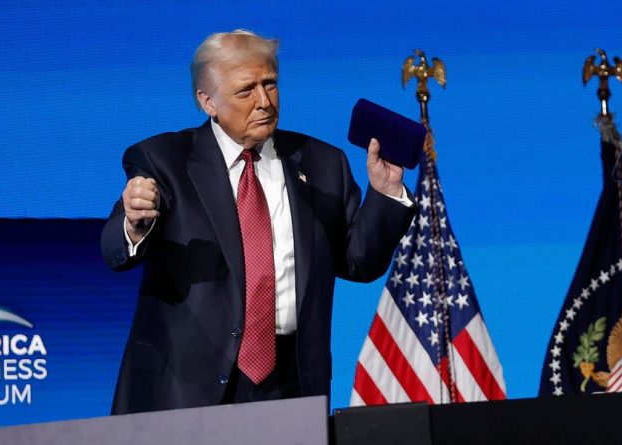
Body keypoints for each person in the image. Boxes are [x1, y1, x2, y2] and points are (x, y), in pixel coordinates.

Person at [101, 29, 415, 414]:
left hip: (291, 382)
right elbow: (115, 250)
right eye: (245, 90)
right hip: (185, 383)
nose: (264, 102)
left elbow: (358, 262)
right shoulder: (164, 159)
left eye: (270, 84)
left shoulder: (322, 163)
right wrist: (135, 224)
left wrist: (384, 193)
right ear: (207, 101)